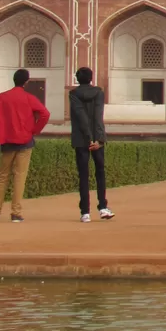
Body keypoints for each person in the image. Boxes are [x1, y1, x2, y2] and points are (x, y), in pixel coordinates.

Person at [0, 68, 51, 223]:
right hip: (25, 140)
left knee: (2, 177)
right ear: (26, 82)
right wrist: (35, 129)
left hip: (6, 140)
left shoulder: (3, 97)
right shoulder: (28, 97)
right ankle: (16, 213)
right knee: (19, 177)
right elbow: (45, 114)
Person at [69, 66, 115, 222]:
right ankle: (102, 207)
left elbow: (80, 115)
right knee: (100, 173)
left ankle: (85, 212)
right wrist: (98, 140)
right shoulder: (98, 92)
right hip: (97, 139)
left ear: (77, 78)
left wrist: (88, 138)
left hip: (81, 140)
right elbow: (97, 116)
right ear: (91, 78)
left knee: (83, 175)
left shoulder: (73, 94)